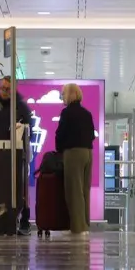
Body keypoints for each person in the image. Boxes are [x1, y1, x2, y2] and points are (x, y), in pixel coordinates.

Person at [0, 75, 34, 234]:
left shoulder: (21, 107)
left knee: (20, 187)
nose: (3, 91)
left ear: (13, 89)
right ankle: (0, 220)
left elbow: (29, 128)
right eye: (2, 88)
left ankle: (24, 221)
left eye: (7, 89)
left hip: (18, 154)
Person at [53, 82, 96, 235]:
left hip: (73, 153)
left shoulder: (66, 113)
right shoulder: (87, 113)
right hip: (88, 153)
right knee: (84, 190)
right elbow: (92, 135)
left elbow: (60, 134)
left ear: (70, 95)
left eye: (63, 93)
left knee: (74, 191)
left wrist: (59, 150)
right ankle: (85, 225)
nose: (61, 97)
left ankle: (78, 228)